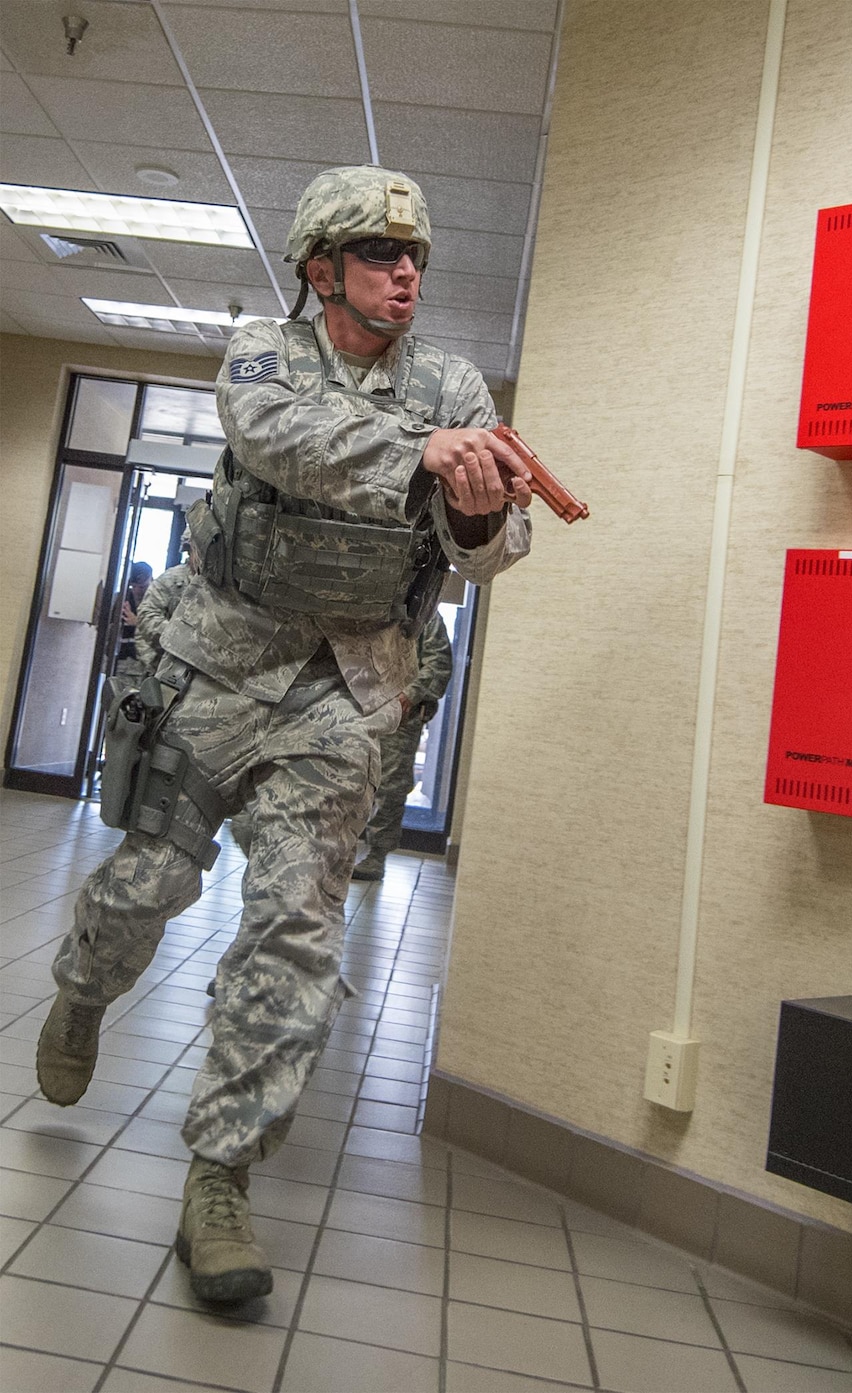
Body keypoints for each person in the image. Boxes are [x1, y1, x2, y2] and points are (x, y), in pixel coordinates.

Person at [35, 165, 534, 1305]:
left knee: (295, 933)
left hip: (345, 693)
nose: (404, 274)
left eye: (413, 259)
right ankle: (81, 990)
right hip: (216, 669)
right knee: (149, 882)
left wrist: (473, 508)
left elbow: (492, 553)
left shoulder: (453, 382)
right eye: (377, 256)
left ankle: (218, 1177)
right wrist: (417, 456)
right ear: (323, 273)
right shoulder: (266, 350)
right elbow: (274, 439)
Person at [351, 611, 453, 881]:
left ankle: (376, 855)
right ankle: (336, 848)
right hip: (359, 710)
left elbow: (439, 663)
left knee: (390, 787)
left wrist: (411, 694)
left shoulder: (427, 617)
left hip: (400, 719)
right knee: (347, 780)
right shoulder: (375, 609)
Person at [115, 561, 154, 669]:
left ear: (151, 580)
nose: (137, 591)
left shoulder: (160, 600)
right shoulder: (123, 597)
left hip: (148, 661)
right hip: (122, 660)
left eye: (142, 587)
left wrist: (138, 622)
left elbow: (166, 632)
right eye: (134, 586)